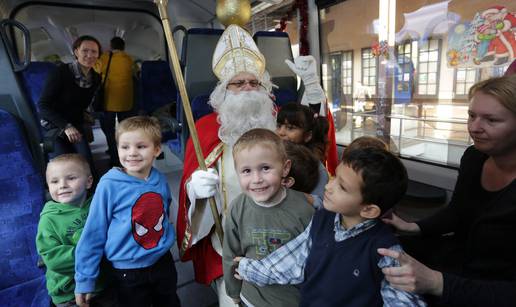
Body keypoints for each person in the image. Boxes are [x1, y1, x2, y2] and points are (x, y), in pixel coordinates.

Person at [176, 25, 329, 306]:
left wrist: (313, 89)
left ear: (265, 87)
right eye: (238, 83)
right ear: (223, 90)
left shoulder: (278, 122)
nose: (247, 88)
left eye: (254, 82)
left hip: (289, 238)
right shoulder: (206, 129)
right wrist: (195, 191)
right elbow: (190, 194)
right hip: (230, 244)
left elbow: (315, 135)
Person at [379, 75, 516, 307]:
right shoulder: (474, 158)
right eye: (472, 116)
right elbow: (457, 212)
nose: (474, 128)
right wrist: (413, 227)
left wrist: (436, 282)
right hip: (456, 262)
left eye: (491, 120)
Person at [234, 147, 427, 307]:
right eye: (333, 177)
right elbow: (293, 261)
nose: (328, 186)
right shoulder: (323, 219)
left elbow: (401, 300)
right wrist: (247, 268)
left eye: (342, 187)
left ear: (368, 210)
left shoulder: (384, 249)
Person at [74, 116, 180, 307]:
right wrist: (85, 280)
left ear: (157, 149)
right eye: (124, 147)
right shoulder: (109, 185)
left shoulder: (159, 179)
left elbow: (166, 213)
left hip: (162, 261)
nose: (132, 153)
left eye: (141, 146)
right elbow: (93, 233)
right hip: (128, 271)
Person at [223, 128, 314, 306]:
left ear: (285, 168)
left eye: (265, 168)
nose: (257, 179)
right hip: (251, 299)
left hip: (292, 300)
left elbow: (314, 259)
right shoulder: (237, 208)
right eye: (246, 171)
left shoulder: (304, 210)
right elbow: (230, 255)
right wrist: (233, 291)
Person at [36, 154, 110, 306]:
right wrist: (97, 253)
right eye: (54, 181)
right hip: (69, 291)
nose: (62, 185)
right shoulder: (49, 219)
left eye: (71, 178)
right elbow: (53, 258)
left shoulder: (98, 204)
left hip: (105, 283)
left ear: (89, 182)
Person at [39, 35, 102, 178]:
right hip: (53, 126)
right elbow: (43, 105)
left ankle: (92, 197)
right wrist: (66, 126)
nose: (89, 55)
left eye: (94, 52)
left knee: (86, 166)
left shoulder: (96, 78)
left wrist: (86, 116)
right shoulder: (60, 72)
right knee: (64, 169)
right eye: (85, 50)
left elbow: (82, 105)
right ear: (76, 52)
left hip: (75, 125)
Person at [276, 102, 329, 206]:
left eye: (290, 128)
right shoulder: (273, 157)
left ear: (308, 136)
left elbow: (320, 203)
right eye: (279, 126)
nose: (281, 132)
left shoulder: (317, 169)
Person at [95, 36, 135, 166]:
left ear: (111, 46)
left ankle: (114, 154)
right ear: (123, 47)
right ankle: (127, 152)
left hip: (108, 100)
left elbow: (95, 71)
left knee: (108, 129)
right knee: (126, 129)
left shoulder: (105, 58)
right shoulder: (129, 59)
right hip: (126, 101)